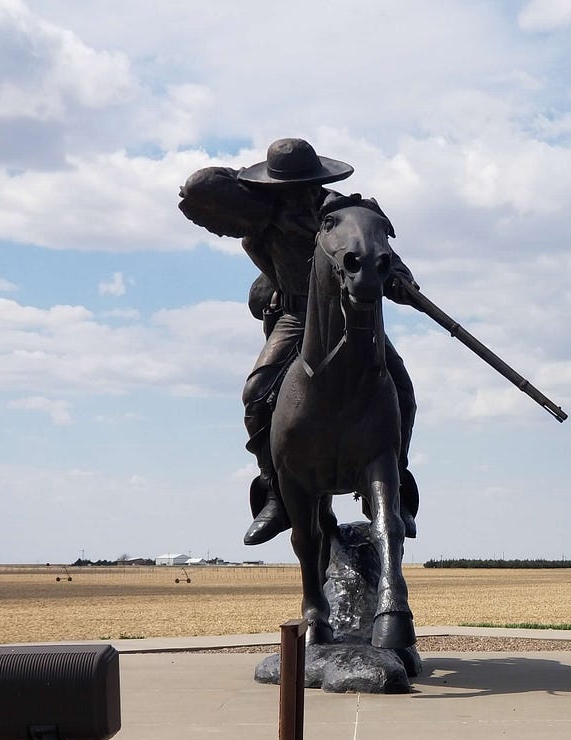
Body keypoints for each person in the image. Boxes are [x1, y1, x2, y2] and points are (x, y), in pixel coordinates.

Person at [179, 137, 419, 545]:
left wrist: (400, 277)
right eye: (289, 187)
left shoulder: (346, 212)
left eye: (307, 185)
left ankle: (395, 484)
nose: (301, 194)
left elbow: (380, 249)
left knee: (402, 392)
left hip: (352, 319)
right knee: (256, 393)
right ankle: (275, 491)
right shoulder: (261, 219)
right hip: (295, 315)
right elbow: (201, 190)